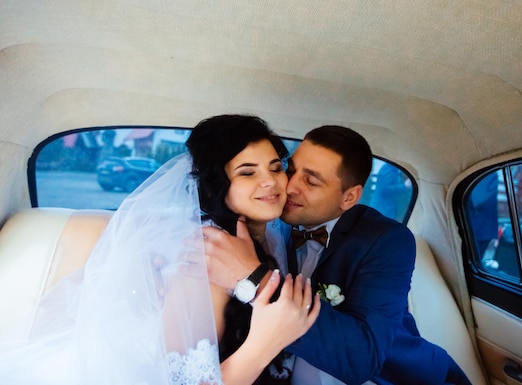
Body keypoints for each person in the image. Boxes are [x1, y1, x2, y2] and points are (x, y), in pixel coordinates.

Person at [0, 114, 319, 385]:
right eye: (247, 172)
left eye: (276, 168)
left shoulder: (274, 236)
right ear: (216, 184)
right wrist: (268, 340)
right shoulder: (200, 258)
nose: (270, 182)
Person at [202, 125, 472, 385]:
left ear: (349, 197)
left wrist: (254, 278)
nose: (289, 186)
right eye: (290, 170)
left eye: (311, 180)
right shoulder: (266, 223)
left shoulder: (386, 240)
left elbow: (361, 360)